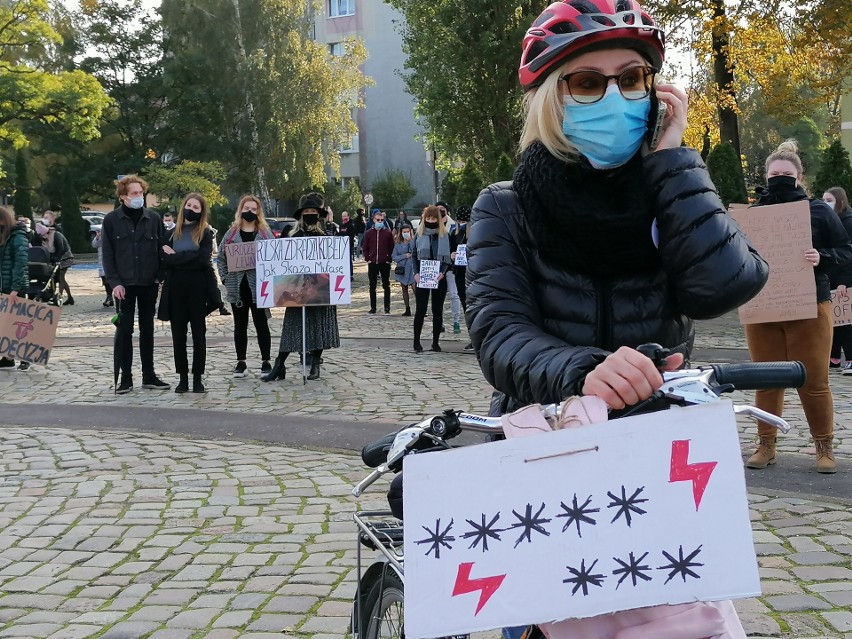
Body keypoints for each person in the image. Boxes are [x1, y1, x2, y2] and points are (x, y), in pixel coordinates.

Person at [466, 2, 771, 636]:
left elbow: (726, 285)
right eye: (587, 82)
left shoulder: (672, 185)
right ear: (554, 98)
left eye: (632, 78)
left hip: (657, 453)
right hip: (545, 446)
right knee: (544, 620)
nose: (614, 95)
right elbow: (498, 330)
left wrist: (673, 160)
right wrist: (583, 372)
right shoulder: (506, 206)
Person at [744, 145, 852, 474]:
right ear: (765, 176)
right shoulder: (752, 213)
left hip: (809, 304)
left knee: (814, 381)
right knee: (766, 381)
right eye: (774, 175)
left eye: (786, 175)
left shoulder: (819, 211)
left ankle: (823, 446)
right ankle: (766, 444)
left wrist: (822, 258)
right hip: (764, 306)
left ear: (799, 177)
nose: (779, 179)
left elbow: (845, 250)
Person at [102, 175, 171, 393]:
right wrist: (115, 283)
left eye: (141, 193)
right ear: (123, 196)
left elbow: (163, 248)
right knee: (124, 331)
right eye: (134, 193)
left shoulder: (153, 218)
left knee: (147, 330)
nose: (139, 197)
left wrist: (160, 275)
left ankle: (149, 375)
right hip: (124, 285)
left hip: (148, 283)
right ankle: (126, 377)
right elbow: (108, 255)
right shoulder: (112, 220)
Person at [262, 192, 340, 382]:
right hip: (297, 289)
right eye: (307, 211)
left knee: (320, 326)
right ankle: (279, 365)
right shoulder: (291, 234)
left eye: (313, 210)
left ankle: (315, 364)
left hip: (320, 289)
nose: (310, 213)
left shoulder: (326, 234)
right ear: (301, 214)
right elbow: (280, 260)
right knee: (292, 327)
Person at [158, 193, 217, 393]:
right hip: (176, 289)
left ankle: (197, 377)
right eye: (189, 205)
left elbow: (202, 259)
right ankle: (182, 377)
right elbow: (164, 259)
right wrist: (182, 258)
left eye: (196, 207)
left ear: (202, 212)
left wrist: (176, 256)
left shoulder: (205, 233)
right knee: (178, 336)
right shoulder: (172, 233)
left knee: (199, 336)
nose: (191, 209)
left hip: (198, 288)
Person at [218, 195, 274, 378]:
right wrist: (225, 278)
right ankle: (240, 362)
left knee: (261, 324)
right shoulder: (232, 233)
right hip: (238, 287)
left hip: (259, 287)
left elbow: (275, 257)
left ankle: (266, 361)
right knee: (239, 325)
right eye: (246, 208)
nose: (249, 212)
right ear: (241, 210)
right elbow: (221, 257)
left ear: (258, 212)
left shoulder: (265, 234)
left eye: (253, 209)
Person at [412, 205, 452, 352]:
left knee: (437, 310)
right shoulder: (419, 234)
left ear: (438, 219)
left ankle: (435, 342)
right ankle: (416, 341)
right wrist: (416, 273)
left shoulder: (444, 235)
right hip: (423, 275)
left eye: (433, 218)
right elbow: (414, 255)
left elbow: (447, 259)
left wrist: (442, 273)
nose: (430, 220)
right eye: (428, 218)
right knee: (421, 309)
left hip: (438, 277)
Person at [823, 187, 852, 373]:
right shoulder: (831, 221)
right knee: (833, 319)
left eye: (829, 199)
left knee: (847, 321)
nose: (825, 203)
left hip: (844, 277)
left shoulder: (848, 222)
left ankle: (850, 358)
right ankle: (833, 357)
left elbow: (848, 254)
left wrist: (844, 280)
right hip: (831, 276)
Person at [0, 206, 29, 371]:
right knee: (5, 324)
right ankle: (8, 357)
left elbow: (20, 263)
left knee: (19, 324)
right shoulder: (4, 236)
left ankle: (25, 357)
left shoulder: (18, 237)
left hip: (13, 287)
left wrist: (15, 289)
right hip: (4, 285)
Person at [34, 210, 75, 305]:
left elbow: (61, 247)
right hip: (52, 256)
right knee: (56, 278)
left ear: (53, 219)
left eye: (47, 217)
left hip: (64, 256)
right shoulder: (42, 233)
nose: (45, 219)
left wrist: (57, 258)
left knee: (61, 276)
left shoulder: (56, 232)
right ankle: (70, 297)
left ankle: (58, 297)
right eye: (44, 217)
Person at [362, 209, 394, 314]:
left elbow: (391, 247)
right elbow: (365, 247)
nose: (380, 222)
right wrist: (368, 259)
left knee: (386, 285)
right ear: (373, 220)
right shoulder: (368, 233)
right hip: (373, 263)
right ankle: (373, 307)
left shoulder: (387, 233)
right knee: (372, 286)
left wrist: (389, 259)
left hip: (384, 262)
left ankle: (387, 308)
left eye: (381, 220)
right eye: (378, 220)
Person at [437, 202, 463, 333]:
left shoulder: (454, 227)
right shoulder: (432, 226)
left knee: (454, 294)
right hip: (438, 266)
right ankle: (439, 322)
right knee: (438, 297)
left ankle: (456, 321)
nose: (440, 212)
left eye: (443, 210)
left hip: (451, 267)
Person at [450, 205, 473, 350]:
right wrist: (452, 256)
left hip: (471, 274)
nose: (461, 223)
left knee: (473, 305)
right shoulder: (454, 234)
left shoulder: (475, 234)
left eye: (463, 221)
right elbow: (451, 250)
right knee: (465, 305)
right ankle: (472, 336)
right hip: (459, 273)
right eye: (459, 220)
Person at [392, 224, 416, 316]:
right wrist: (404, 256)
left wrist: (410, 241)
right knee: (404, 289)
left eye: (407, 232)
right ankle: (407, 308)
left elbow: (417, 252)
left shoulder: (414, 241)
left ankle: (421, 308)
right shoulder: (398, 244)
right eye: (404, 232)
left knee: (415, 289)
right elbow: (394, 256)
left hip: (413, 269)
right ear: (401, 233)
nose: (406, 233)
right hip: (403, 269)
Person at [92, 230, 114, 307]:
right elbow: (94, 245)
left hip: (112, 259)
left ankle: (111, 297)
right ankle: (109, 297)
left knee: (111, 280)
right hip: (102, 260)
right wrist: (97, 237)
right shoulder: (100, 236)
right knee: (105, 279)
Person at [338, 210, 356, 279]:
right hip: (342, 246)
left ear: (348, 216)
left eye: (345, 216)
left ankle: (351, 275)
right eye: (343, 216)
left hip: (349, 245)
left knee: (349, 260)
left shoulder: (351, 225)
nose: (344, 217)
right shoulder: (341, 225)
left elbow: (351, 235)